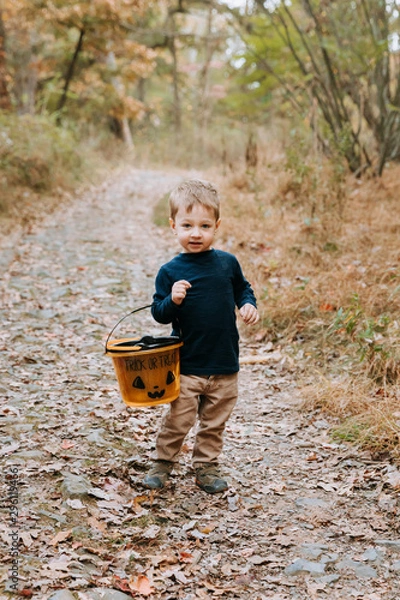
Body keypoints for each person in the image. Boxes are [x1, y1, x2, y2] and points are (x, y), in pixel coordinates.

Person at [143, 179, 259, 494]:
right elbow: (159, 312)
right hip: (188, 363)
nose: (196, 233)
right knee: (179, 419)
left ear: (216, 226)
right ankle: (163, 462)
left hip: (224, 362)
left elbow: (242, 289)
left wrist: (248, 304)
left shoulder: (227, 263)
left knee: (213, 422)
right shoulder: (170, 271)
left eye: (204, 225)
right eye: (188, 225)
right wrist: (173, 300)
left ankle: (206, 466)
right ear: (173, 226)